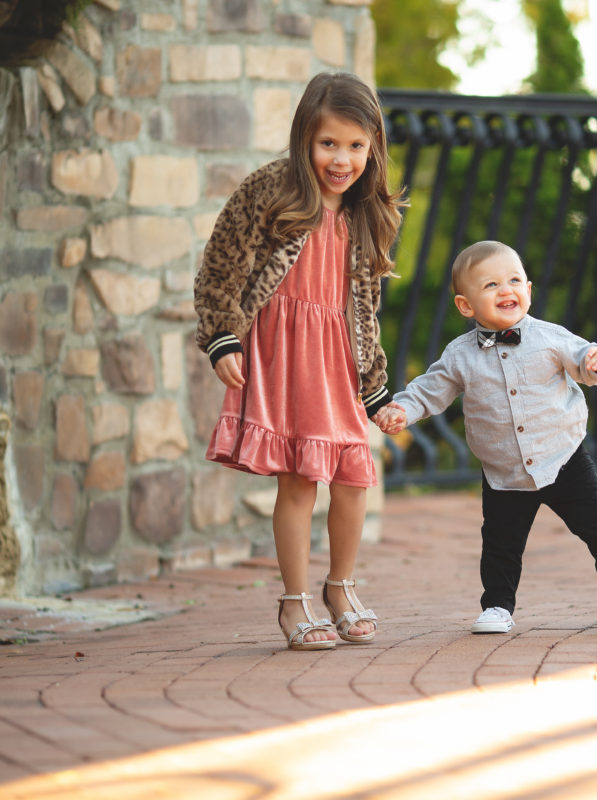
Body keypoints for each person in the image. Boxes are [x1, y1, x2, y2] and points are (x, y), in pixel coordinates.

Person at [194, 72, 405, 651]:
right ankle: (295, 602)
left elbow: (365, 306)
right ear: (303, 140)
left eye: (356, 146)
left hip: (335, 354)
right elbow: (221, 264)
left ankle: (340, 586)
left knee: (355, 475)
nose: (342, 159)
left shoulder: (368, 212)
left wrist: (374, 383)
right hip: (282, 351)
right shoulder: (272, 191)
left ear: (373, 148)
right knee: (300, 481)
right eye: (328, 144)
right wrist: (221, 337)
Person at [377, 240, 597, 634]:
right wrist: (402, 408)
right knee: (500, 543)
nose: (506, 289)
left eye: (514, 280)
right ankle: (496, 606)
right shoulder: (459, 355)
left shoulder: (548, 337)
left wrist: (593, 361)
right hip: (503, 468)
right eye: (490, 285)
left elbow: (581, 356)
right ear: (466, 306)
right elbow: (431, 389)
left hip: (562, 457)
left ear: (528, 289)